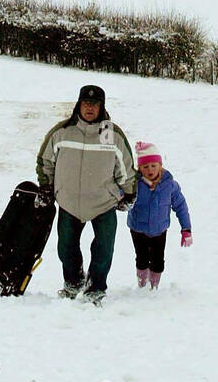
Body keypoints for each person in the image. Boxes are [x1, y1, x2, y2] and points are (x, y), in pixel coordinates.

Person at [36, 84, 136, 306]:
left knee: (104, 248)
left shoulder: (112, 134)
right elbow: (45, 161)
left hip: (103, 202)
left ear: (102, 107)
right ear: (79, 105)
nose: (90, 108)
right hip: (69, 201)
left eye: (95, 104)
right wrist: (46, 186)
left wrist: (129, 192)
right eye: (86, 103)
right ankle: (73, 281)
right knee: (66, 247)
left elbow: (126, 167)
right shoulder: (62, 131)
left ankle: (96, 287)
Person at [127, 140, 192, 291]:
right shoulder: (134, 184)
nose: (150, 170)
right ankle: (142, 285)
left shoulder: (169, 185)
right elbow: (120, 195)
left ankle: (153, 287)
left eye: (153, 166)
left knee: (158, 261)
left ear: (160, 165)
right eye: (145, 166)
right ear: (139, 168)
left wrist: (186, 228)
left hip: (159, 230)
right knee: (142, 259)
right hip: (138, 228)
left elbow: (181, 206)